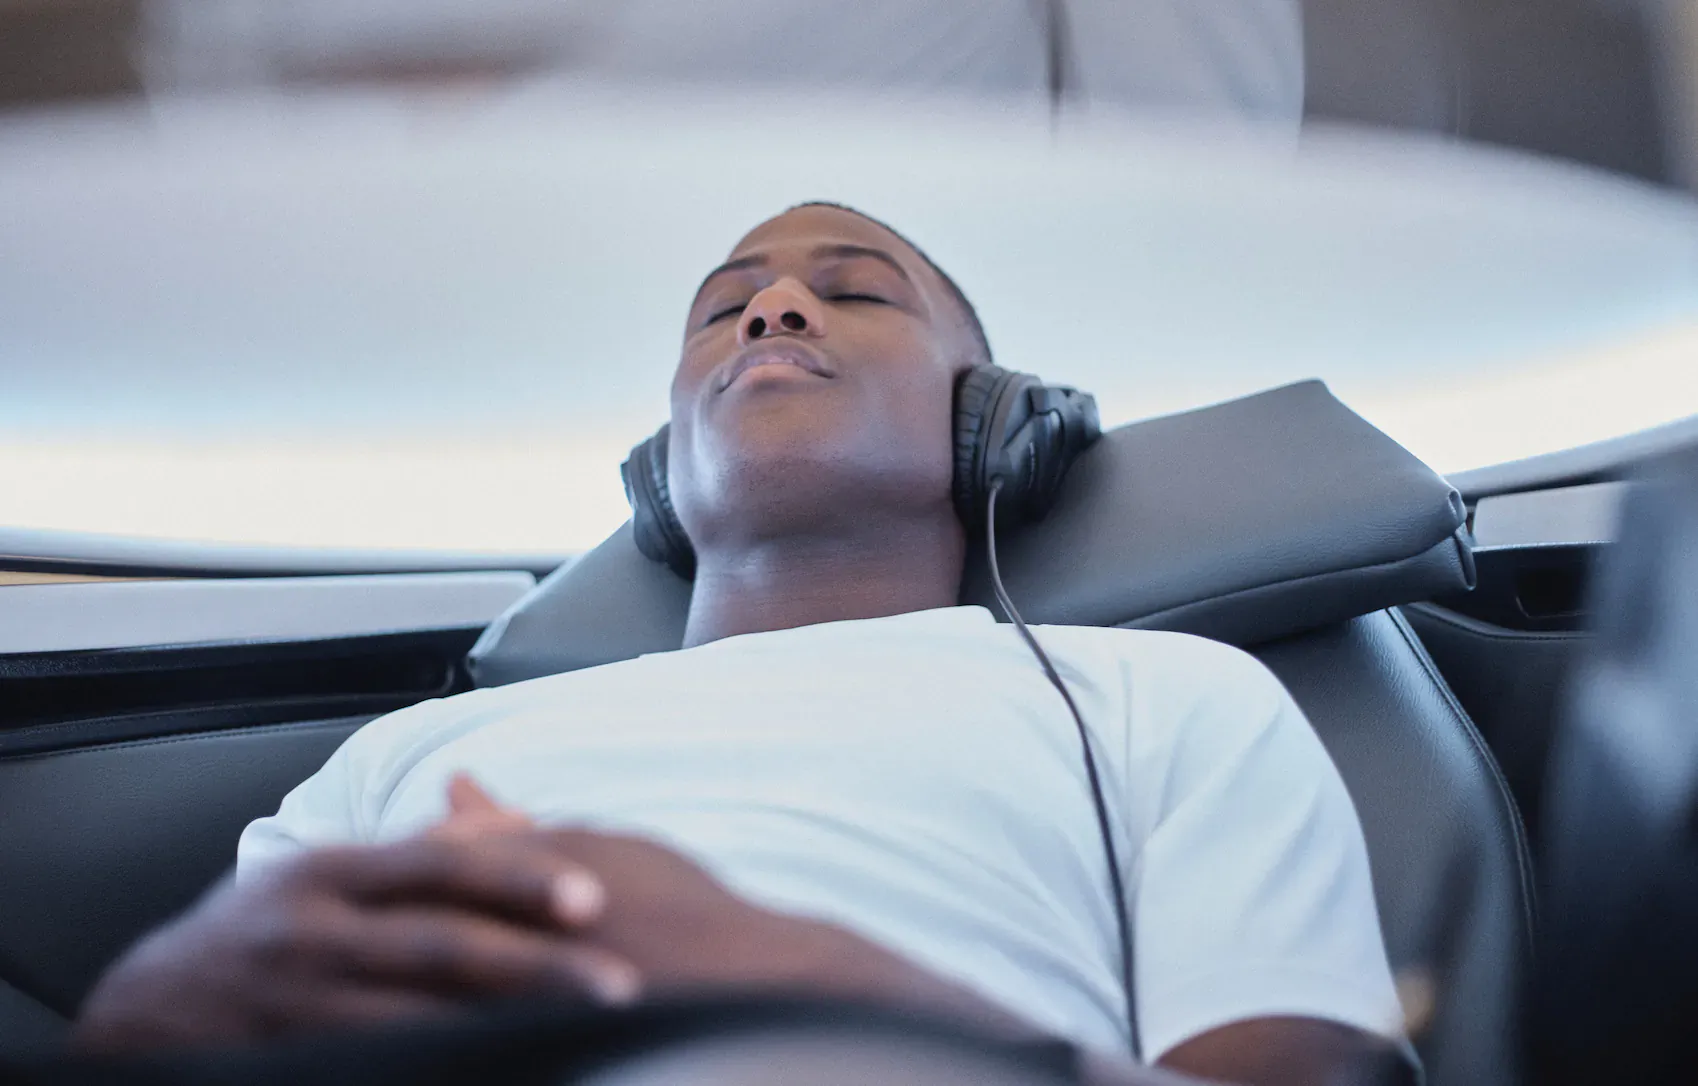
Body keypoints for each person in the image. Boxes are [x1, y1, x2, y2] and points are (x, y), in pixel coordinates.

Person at [69, 203, 1407, 1086]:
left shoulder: (1163, 696)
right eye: (724, 310)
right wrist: (136, 1014)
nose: (770, 310)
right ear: (660, 469)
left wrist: (779, 971)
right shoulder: (410, 751)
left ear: (994, 424)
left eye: (852, 292)